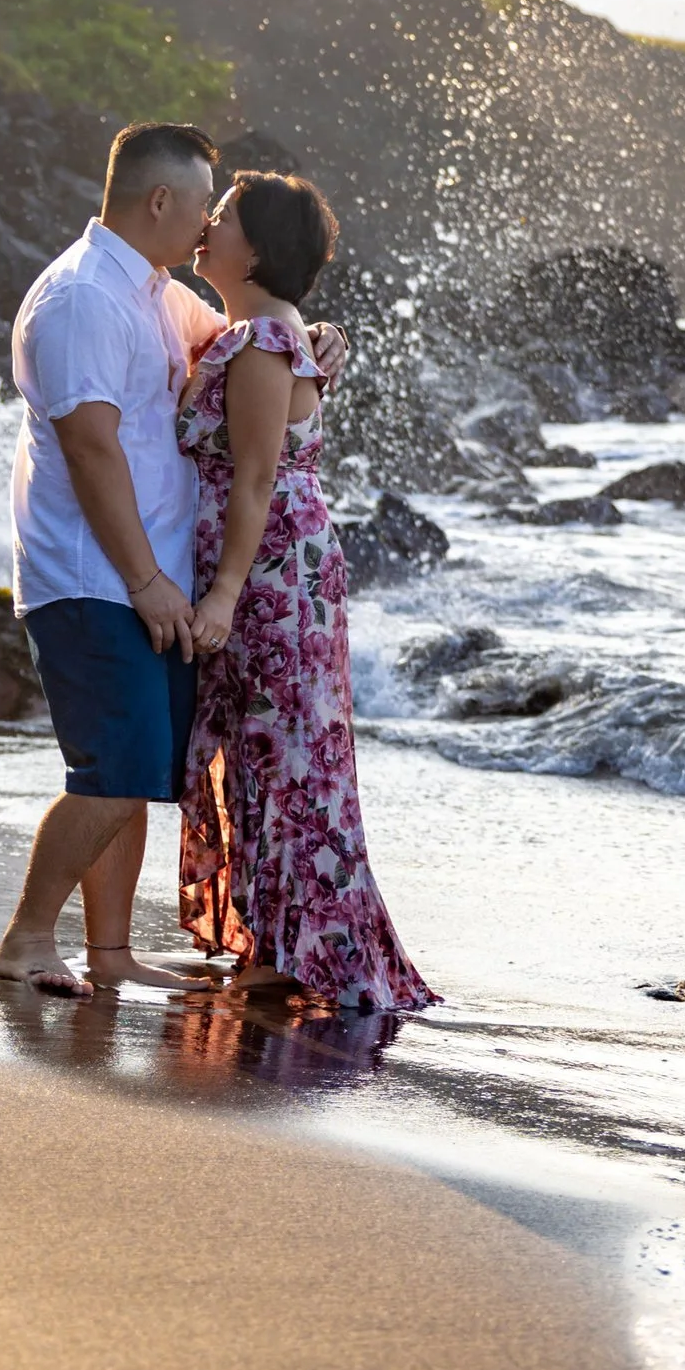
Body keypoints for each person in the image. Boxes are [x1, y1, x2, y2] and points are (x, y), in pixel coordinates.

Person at [0, 123, 346, 997]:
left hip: (147, 580)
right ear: (160, 201)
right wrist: (149, 580)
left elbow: (257, 338)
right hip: (92, 577)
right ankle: (27, 938)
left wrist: (320, 341)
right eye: (201, 206)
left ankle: (110, 954)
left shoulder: (154, 294)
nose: (204, 227)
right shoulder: (81, 300)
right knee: (113, 774)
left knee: (142, 772)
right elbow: (91, 450)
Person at [174, 172, 436, 1013]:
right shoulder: (274, 332)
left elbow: (255, 481)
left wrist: (220, 596)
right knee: (276, 746)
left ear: (256, 249)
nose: (207, 226)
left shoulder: (262, 341)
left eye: (223, 218)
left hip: (271, 571)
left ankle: (299, 949)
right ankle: (284, 937)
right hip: (288, 566)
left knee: (282, 748)